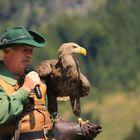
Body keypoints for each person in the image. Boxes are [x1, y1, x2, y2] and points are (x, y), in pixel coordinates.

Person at [0, 26, 102, 140]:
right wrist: (25, 89)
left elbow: (46, 119)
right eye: (24, 50)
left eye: (31, 50)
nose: (30, 55)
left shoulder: (35, 79)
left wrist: (73, 130)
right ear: (7, 51)